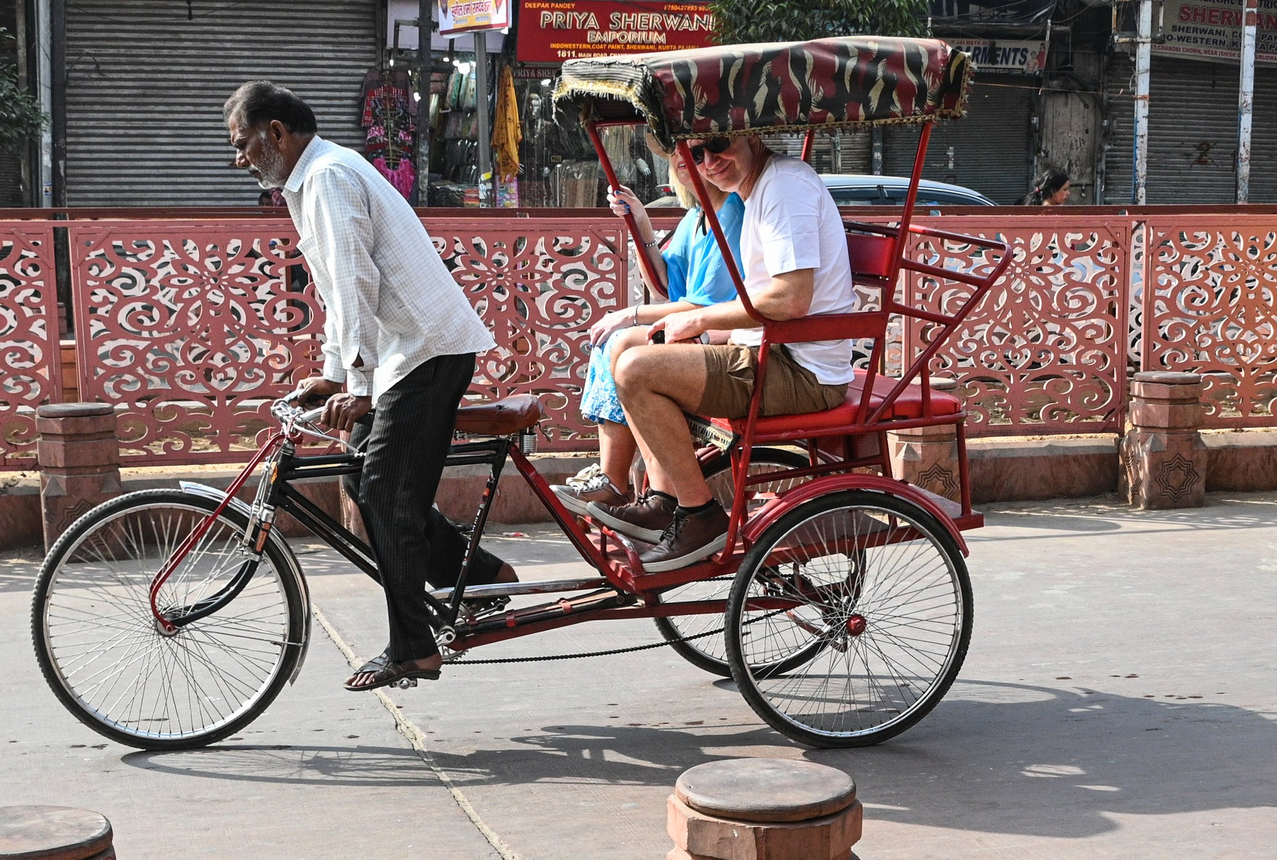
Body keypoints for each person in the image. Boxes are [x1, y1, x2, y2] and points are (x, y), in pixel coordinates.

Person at [226, 79, 514, 692]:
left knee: (385, 495)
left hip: (425, 351)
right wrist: (335, 372)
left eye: (243, 144)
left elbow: (356, 281)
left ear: (276, 132)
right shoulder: (314, 178)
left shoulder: (328, 176)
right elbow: (337, 291)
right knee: (361, 477)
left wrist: (355, 384)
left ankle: (414, 649)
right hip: (403, 353)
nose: (241, 159)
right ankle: (481, 577)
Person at [591, 135, 860, 571]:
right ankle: (664, 498)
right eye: (697, 154)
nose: (710, 162)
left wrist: (700, 321)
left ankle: (699, 513)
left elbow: (791, 297)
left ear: (749, 134)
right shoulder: (758, 189)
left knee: (637, 370)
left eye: (718, 144)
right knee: (625, 347)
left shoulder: (783, 187)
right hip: (765, 350)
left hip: (799, 371)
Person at [556, 152, 746, 519]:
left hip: (721, 336)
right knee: (611, 341)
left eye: (694, 154)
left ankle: (636, 487)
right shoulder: (696, 216)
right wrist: (640, 223)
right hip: (696, 329)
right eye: (676, 155)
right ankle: (615, 478)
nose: (682, 160)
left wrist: (630, 314)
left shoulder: (731, 214)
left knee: (623, 341)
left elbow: (700, 305)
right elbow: (665, 284)